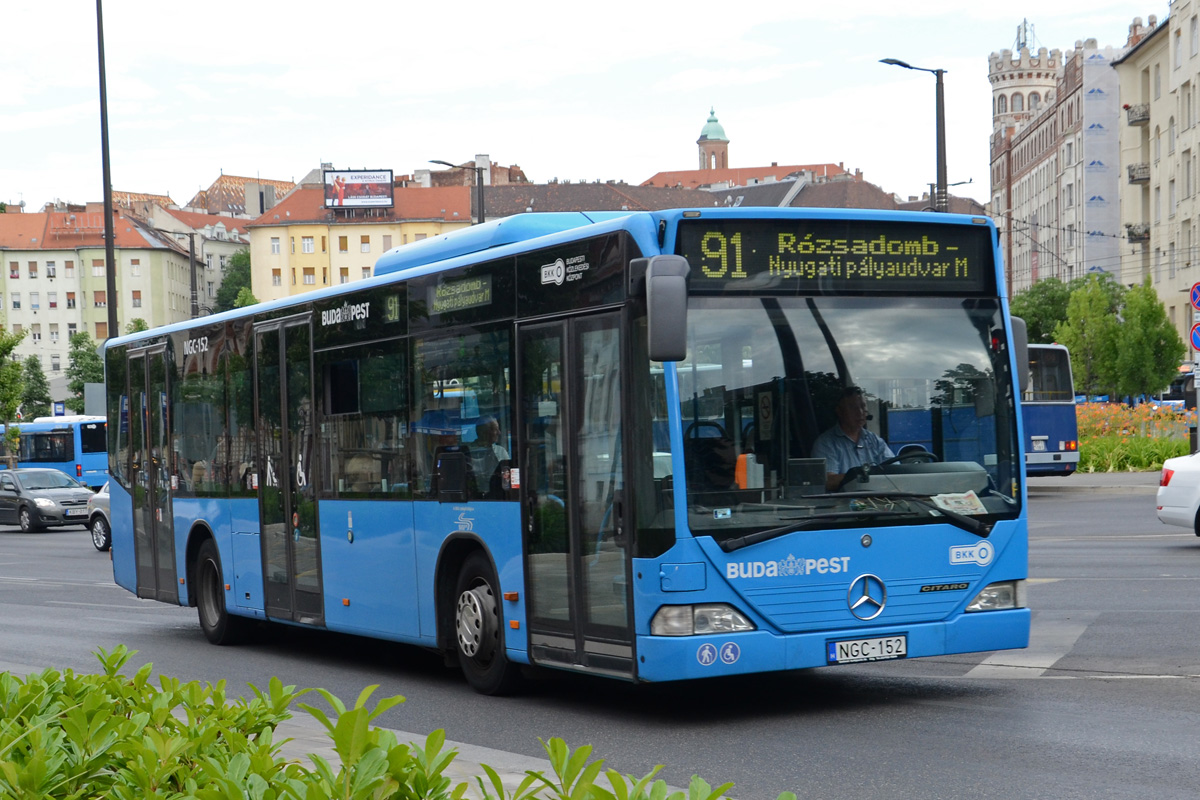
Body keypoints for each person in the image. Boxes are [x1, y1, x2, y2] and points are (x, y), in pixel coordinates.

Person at [811, 386, 894, 491]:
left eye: (863, 407)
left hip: (878, 503)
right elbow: (828, 481)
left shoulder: (874, 440)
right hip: (843, 505)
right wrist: (864, 475)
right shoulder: (825, 443)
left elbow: (895, 471)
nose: (860, 412)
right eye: (853, 408)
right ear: (839, 411)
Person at [472, 415, 510, 482]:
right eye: (495, 429)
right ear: (484, 433)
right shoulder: (469, 451)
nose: (499, 432)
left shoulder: (501, 451)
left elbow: (508, 474)